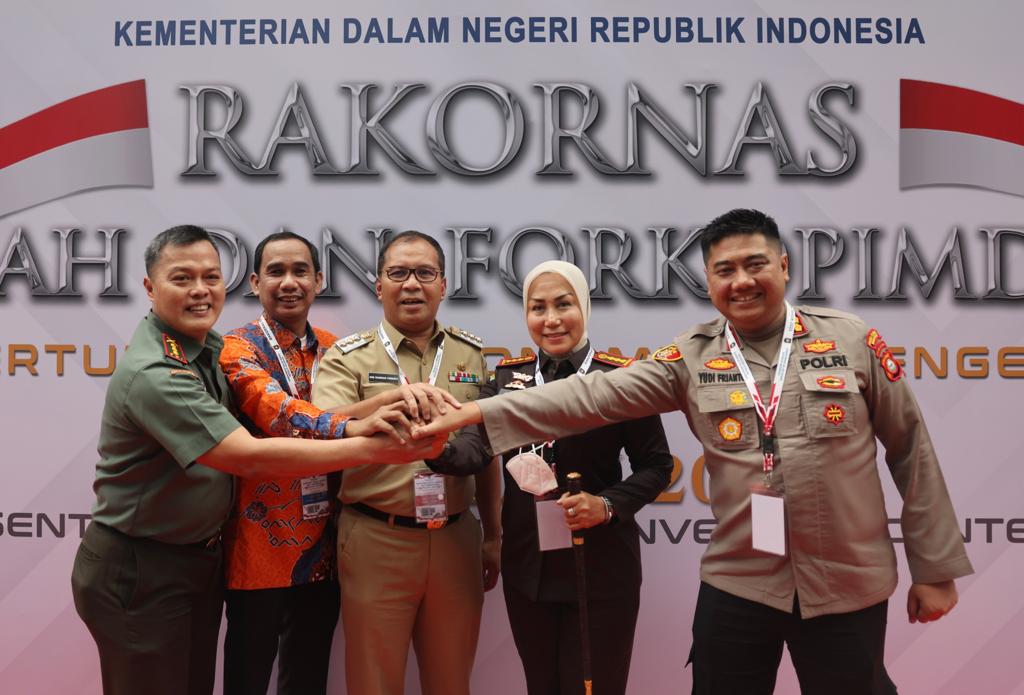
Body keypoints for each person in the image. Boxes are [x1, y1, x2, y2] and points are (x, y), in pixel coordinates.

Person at [413, 209, 974, 695]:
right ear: (708, 280)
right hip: (740, 579)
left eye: (755, 264)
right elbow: (591, 395)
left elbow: (912, 450)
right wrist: (469, 415)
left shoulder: (851, 341)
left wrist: (935, 568)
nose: (741, 281)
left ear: (784, 267)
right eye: (725, 270)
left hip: (845, 582)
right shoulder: (691, 356)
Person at [70, 225, 444, 695]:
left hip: (292, 549)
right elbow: (271, 423)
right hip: (218, 552)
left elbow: (321, 416)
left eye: (210, 277)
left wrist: (380, 405)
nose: (200, 290)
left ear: (318, 280)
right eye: (182, 278)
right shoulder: (213, 353)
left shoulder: (212, 347)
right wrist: (369, 440)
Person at [427, 260, 673, 695]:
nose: (551, 319)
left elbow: (657, 465)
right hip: (528, 570)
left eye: (564, 304)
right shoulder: (507, 379)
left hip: (601, 570)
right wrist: (432, 448)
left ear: (584, 308)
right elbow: (473, 450)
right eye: (537, 308)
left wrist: (607, 505)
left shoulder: (621, 379)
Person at [311, 230, 501, 695]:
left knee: (452, 682)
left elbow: (486, 451)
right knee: (373, 682)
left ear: (443, 285)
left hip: (456, 537)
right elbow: (321, 424)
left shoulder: (471, 353)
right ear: (379, 286)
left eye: (424, 273)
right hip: (377, 536)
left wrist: (494, 535)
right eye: (398, 273)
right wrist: (385, 403)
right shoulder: (348, 356)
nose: (411, 284)